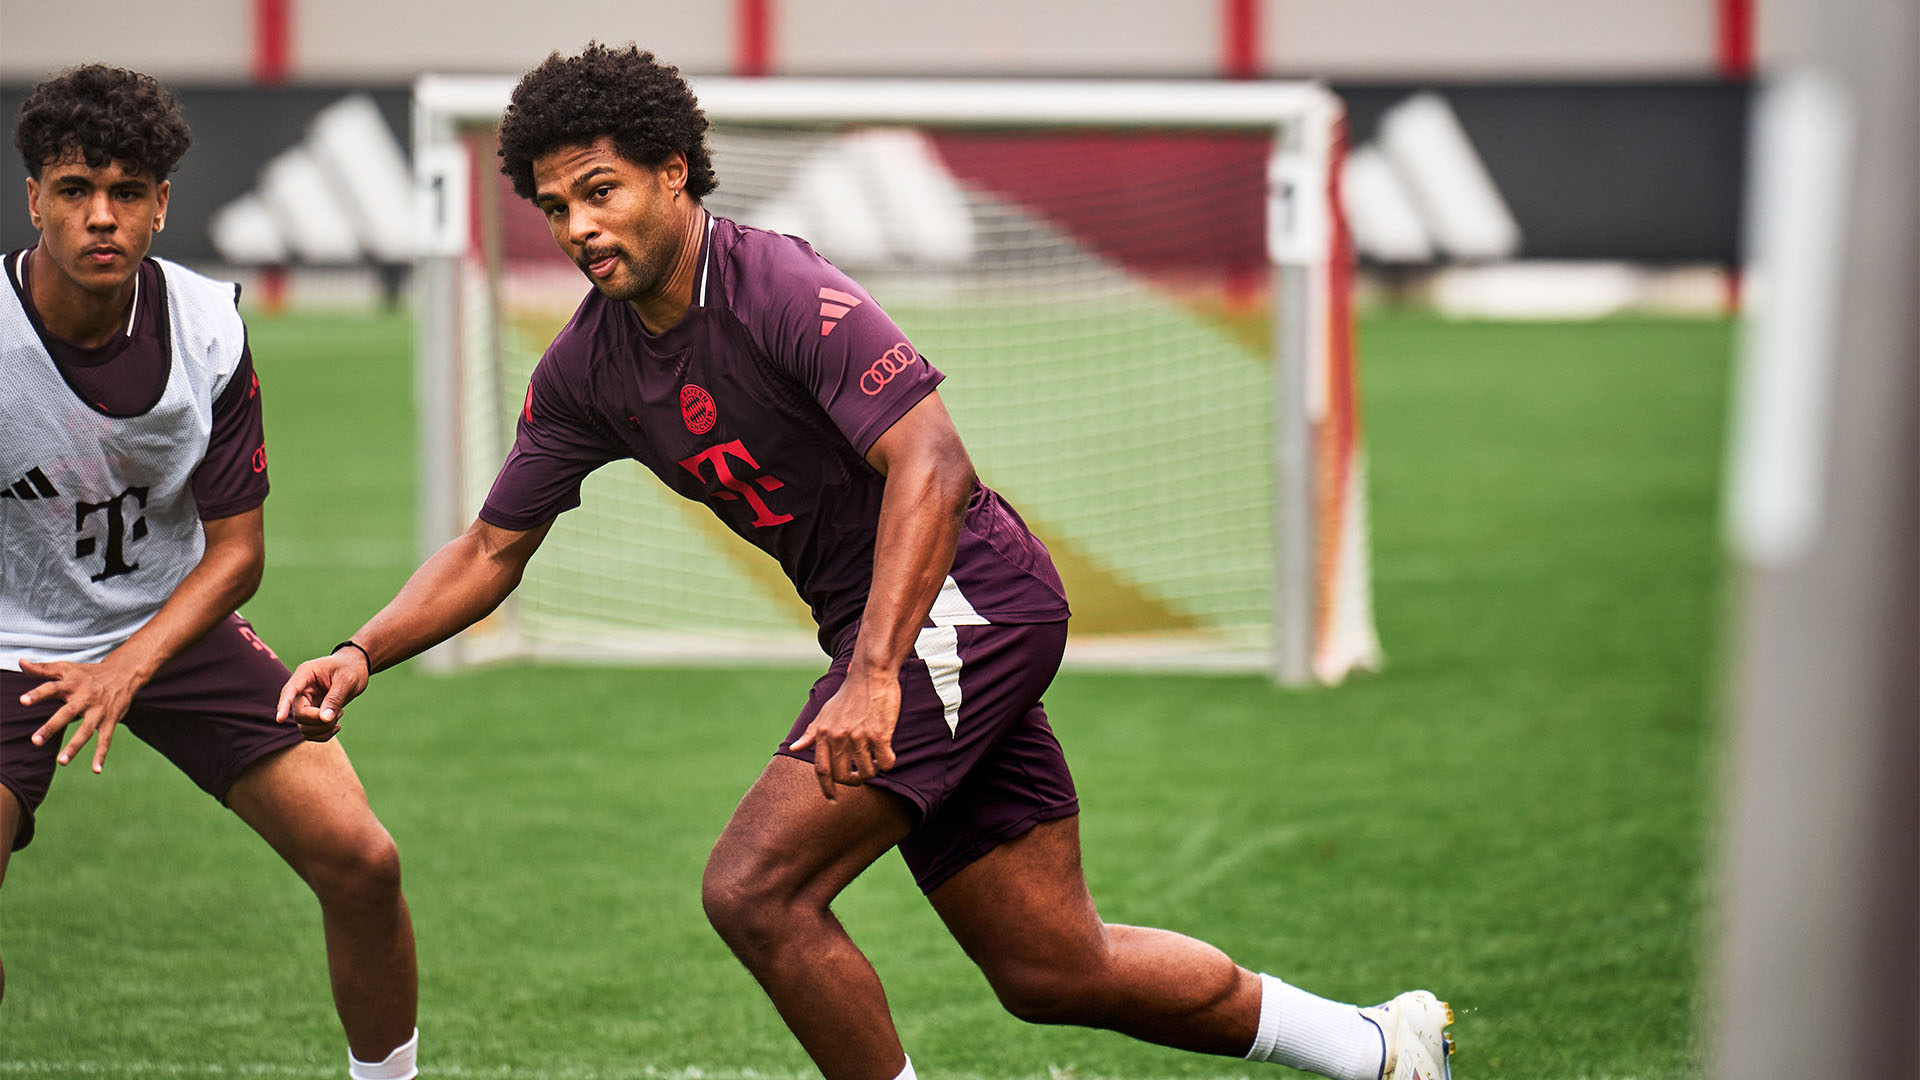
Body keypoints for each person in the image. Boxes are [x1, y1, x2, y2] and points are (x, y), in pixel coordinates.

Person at [277, 43, 1453, 1080]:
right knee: (1052, 964)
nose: (579, 226)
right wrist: (360, 650)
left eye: (601, 192)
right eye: (555, 206)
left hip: (962, 601)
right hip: (902, 634)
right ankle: (1378, 1049)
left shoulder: (780, 285)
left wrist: (876, 672)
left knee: (755, 890)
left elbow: (932, 464)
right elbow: (492, 546)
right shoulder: (586, 368)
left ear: (673, 173)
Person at [1, 64, 420, 1080]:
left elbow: (238, 553)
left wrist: (129, 664)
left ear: (162, 204)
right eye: (73, 191)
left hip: (171, 620)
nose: (100, 217)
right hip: (10, 638)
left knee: (363, 862)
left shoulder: (208, 328)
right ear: (33, 199)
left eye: (127, 192)